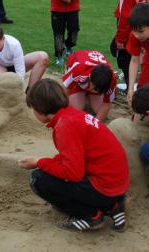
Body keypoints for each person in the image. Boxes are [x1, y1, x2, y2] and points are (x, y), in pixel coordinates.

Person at [19, 78, 130, 232]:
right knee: (51, 170)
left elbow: (73, 173)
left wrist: (39, 163)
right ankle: (114, 205)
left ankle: (90, 216)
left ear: (39, 110)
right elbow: (72, 157)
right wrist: (46, 162)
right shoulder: (71, 115)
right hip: (115, 183)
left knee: (38, 180)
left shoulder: (65, 126)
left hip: (105, 187)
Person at [0, 21, 48, 110]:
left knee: (43, 57)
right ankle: (2, 99)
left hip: (14, 66)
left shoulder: (14, 44)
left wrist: (19, 97)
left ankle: (30, 95)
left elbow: (20, 72)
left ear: (3, 38)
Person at [110, 0, 149, 89]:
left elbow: (124, 17)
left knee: (122, 52)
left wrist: (120, 39)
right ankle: (137, 82)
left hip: (131, 26)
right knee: (136, 52)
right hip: (141, 24)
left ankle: (131, 87)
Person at [61, 50, 116, 121]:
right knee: (77, 109)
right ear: (90, 79)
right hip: (78, 67)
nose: (93, 91)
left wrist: (95, 123)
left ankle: (86, 95)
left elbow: (107, 103)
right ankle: (82, 93)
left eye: (98, 91)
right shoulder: (79, 69)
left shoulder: (112, 80)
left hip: (92, 75)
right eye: (93, 89)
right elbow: (64, 90)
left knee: (99, 110)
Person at [45, 0, 85, 66]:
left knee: (74, 31)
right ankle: (59, 55)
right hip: (57, 8)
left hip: (73, 8)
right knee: (58, 34)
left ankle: (68, 46)